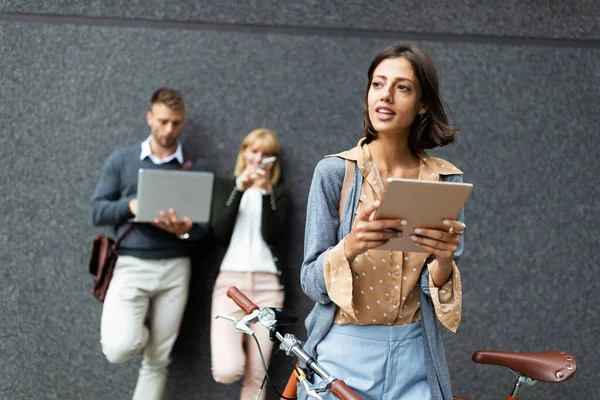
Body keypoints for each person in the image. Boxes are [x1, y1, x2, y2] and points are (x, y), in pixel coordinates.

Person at [299, 45, 466, 400]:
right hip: (342, 355)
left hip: (415, 355)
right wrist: (351, 245)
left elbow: (430, 290)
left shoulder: (445, 180)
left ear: (423, 103)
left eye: (402, 87)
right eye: (378, 84)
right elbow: (311, 282)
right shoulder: (334, 173)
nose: (385, 96)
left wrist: (445, 260)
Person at [91, 88, 211, 400]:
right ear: (149, 118)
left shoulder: (196, 168)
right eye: (163, 121)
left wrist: (184, 229)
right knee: (118, 347)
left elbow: (205, 230)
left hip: (176, 269)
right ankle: (139, 329)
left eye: (176, 123)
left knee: (158, 360)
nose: (169, 129)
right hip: (131, 265)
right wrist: (131, 206)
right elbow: (98, 211)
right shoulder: (122, 161)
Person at [209, 128, 291, 400]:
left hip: (269, 288)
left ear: (274, 162)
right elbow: (219, 231)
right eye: (254, 151)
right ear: (244, 152)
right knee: (227, 369)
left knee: (258, 377)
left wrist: (267, 192)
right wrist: (239, 188)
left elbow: (272, 234)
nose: (259, 158)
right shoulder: (225, 188)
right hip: (229, 287)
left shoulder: (280, 195)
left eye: (267, 154)